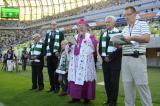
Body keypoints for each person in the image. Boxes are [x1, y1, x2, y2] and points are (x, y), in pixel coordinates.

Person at [121, 6, 152, 106]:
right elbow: (123, 43)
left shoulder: (142, 24)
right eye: (125, 15)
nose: (126, 17)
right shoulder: (125, 29)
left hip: (137, 58)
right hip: (125, 59)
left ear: (135, 14)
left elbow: (147, 38)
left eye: (128, 14)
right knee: (127, 86)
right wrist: (118, 44)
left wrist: (132, 37)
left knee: (142, 85)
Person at [67, 19, 97, 104]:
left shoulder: (89, 35)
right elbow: (70, 48)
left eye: (82, 26)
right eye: (79, 26)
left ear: (86, 27)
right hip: (75, 63)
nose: (80, 27)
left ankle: (86, 97)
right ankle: (75, 97)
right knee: (75, 77)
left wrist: (88, 39)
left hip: (85, 62)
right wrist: (69, 45)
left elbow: (93, 47)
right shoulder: (75, 37)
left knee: (85, 78)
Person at [99, 16, 122, 106]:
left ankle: (113, 102)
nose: (107, 24)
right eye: (106, 22)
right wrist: (104, 57)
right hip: (105, 62)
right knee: (107, 82)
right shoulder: (103, 34)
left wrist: (110, 57)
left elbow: (120, 49)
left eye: (109, 22)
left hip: (115, 62)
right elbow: (100, 48)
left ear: (114, 23)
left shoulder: (119, 33)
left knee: (114, 82)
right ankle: (109, 99)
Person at [44, 20, 64, 93]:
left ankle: (57, 87)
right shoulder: (48, 34)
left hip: (56, 55)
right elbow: (45, 44)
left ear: (56, 25)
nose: (53, 26)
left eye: (55, 24)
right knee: (50, 72)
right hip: (49, 55)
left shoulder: (60, 33)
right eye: (52, 25)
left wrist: (58, 51)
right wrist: (45, 54)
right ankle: (52, 87)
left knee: (56, 72)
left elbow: (62, 43)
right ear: (50, 26)